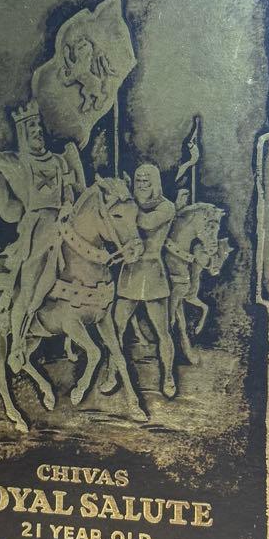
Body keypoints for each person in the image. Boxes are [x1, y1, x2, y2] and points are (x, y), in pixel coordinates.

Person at [0, 97, 85, 370]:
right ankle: (18, 345)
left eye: (40, 129)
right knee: (29, 287)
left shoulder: (58, 161)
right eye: (32, 130)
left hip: (64, 225)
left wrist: (68, 205)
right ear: (23, 134)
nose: (38, 134)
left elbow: (69, 193)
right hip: (36, 231)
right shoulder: (16, 163)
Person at [111, 163, 177, 398]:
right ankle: (112, 372)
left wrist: (125, 203)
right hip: (130, 270)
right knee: (115, 328)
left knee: (163, 332)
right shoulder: (130, 204)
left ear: (155, 182)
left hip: (152, 273)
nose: (141, 184)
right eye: (138, 180)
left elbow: (147, 222)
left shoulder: (166, 207)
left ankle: (168, 376)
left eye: (146, 180)